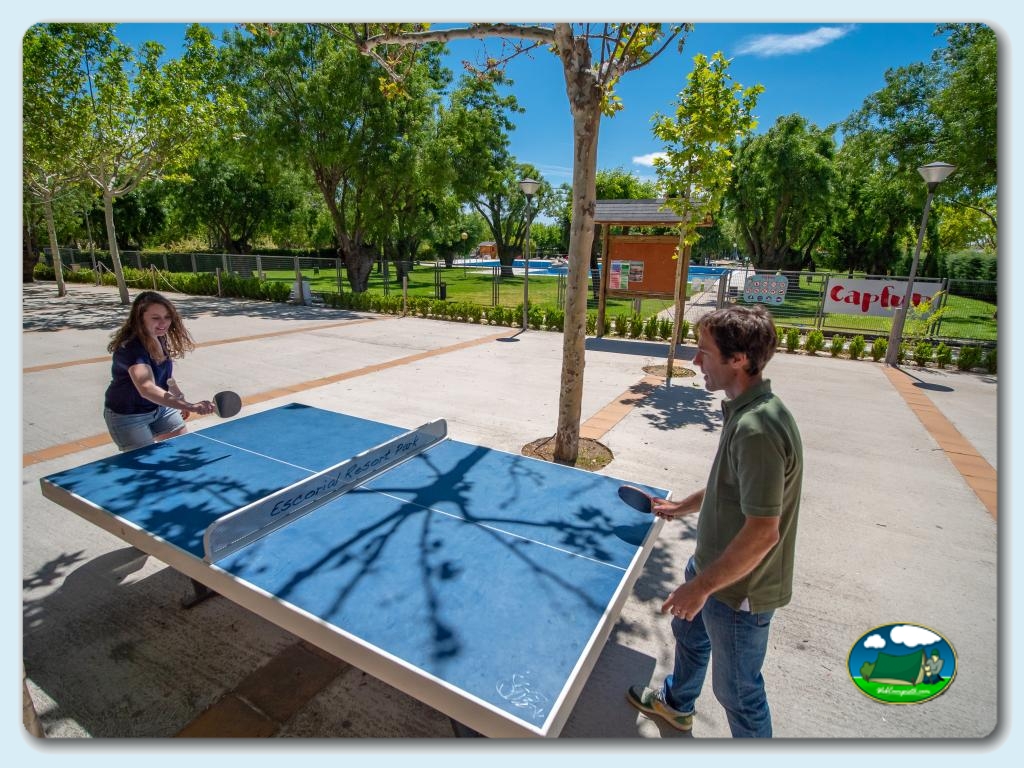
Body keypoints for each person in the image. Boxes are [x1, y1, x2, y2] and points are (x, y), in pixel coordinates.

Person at [627, 304, 803, 738]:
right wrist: (681, 508)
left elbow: (763, 532)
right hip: (710, 566)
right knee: (690, 640)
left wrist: (701, 587)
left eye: (704, 351)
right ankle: (676, 704)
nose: (695, 360)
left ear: (738, 359)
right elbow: (731, 487)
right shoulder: (749, 409)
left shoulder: (757, 429)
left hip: (736, 591)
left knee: (739, 694)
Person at [103, 291, 214, 451]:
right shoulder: (132, 349)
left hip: (160, 408)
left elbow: (166, 377)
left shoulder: (158, 338)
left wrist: (179, 397)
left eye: (167, 317)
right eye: (156, 318)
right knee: (148, 466)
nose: (163, 323)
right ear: (140, 318)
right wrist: (190, 406)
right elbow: (147, 388)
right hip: (128, 415)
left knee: (182, 449)